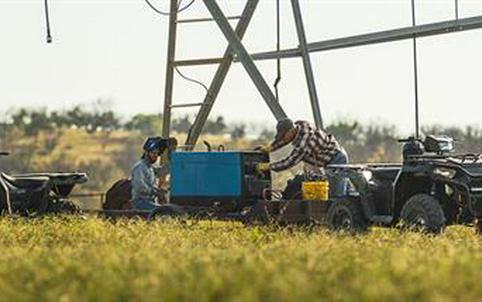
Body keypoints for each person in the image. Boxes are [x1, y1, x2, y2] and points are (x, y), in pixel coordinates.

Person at [256, 118, 349, 196]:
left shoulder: (305, 142)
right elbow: (285, 140)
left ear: (291, 131)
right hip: (330, 160)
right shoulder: (300, 127)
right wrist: (270, 148)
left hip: (337, 159)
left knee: (337, 195)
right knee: (342, 188)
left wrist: (269, 166)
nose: (283, 139)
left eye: (283, 136)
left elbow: (289, 162)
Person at [130, 137, 169, 211]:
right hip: (140, 203)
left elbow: (162, 171)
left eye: (157, 154)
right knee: (163, 211)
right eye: (153, 153)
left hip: (149, 202)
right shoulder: (140, 167)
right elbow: (139, 187)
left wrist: (172, 160)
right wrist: (155, 192)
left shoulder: (150, 168)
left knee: (167, 209)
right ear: (146, 153)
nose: (156, 156)